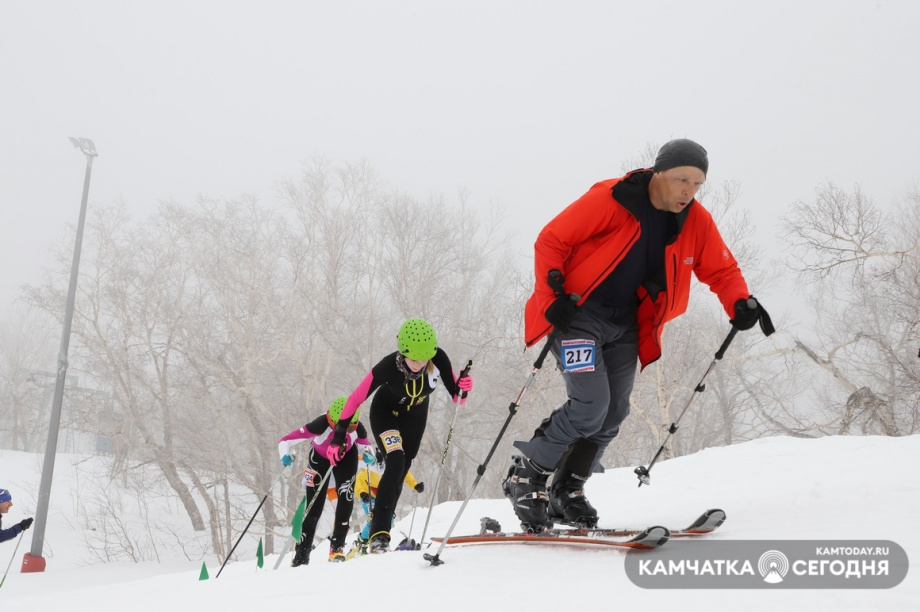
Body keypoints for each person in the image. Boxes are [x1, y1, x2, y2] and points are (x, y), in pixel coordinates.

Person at [503, 139, 773, 531]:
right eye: (682, 179)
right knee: (590, 404)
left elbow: (722, 271)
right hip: (579, 316)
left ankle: (568, 488)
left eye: (697, 184)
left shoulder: (695, 221)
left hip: (627, 322)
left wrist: (739, 302)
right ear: (659, 172)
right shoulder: (613, 199)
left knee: (613, 412)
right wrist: (550, 298)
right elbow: (551, 239)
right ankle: (527, 475)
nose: (688, 191)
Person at [328, 318, 472, 554]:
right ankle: (379, 534)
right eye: (414, 359)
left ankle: (383, 523)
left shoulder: (438, 359)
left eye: (424, 359)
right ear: (403, 351)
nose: (419, 364)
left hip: (415, 416)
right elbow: (355, 399)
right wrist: (339, 435)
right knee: (395, 460)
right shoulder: (387, 366)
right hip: (385, 414)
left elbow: (457, 398)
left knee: (402, 468)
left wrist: (464, 386)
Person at [278, 397, 374, 566]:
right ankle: (302, 555)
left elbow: (365, 445)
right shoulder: (320, 424)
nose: (346, 430)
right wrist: (284, 454)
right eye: (341, 427)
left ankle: (337, 548)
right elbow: (287, 440)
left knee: (346, 498)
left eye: (351, 427)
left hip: (346, 458)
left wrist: (368, 454)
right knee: (314, 507)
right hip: (320, 460)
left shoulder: (357, 426)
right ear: (331, 420)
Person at [348, 449, 423, 555]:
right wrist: (362, 493)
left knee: (390, 519)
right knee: (373, 518)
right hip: (369, 496)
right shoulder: (371, 468)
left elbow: (404, 472)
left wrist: (415, 485)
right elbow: (359, 480)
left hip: (382, 497)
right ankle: (362, 542)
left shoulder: (391, 466)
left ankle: (381, 540)